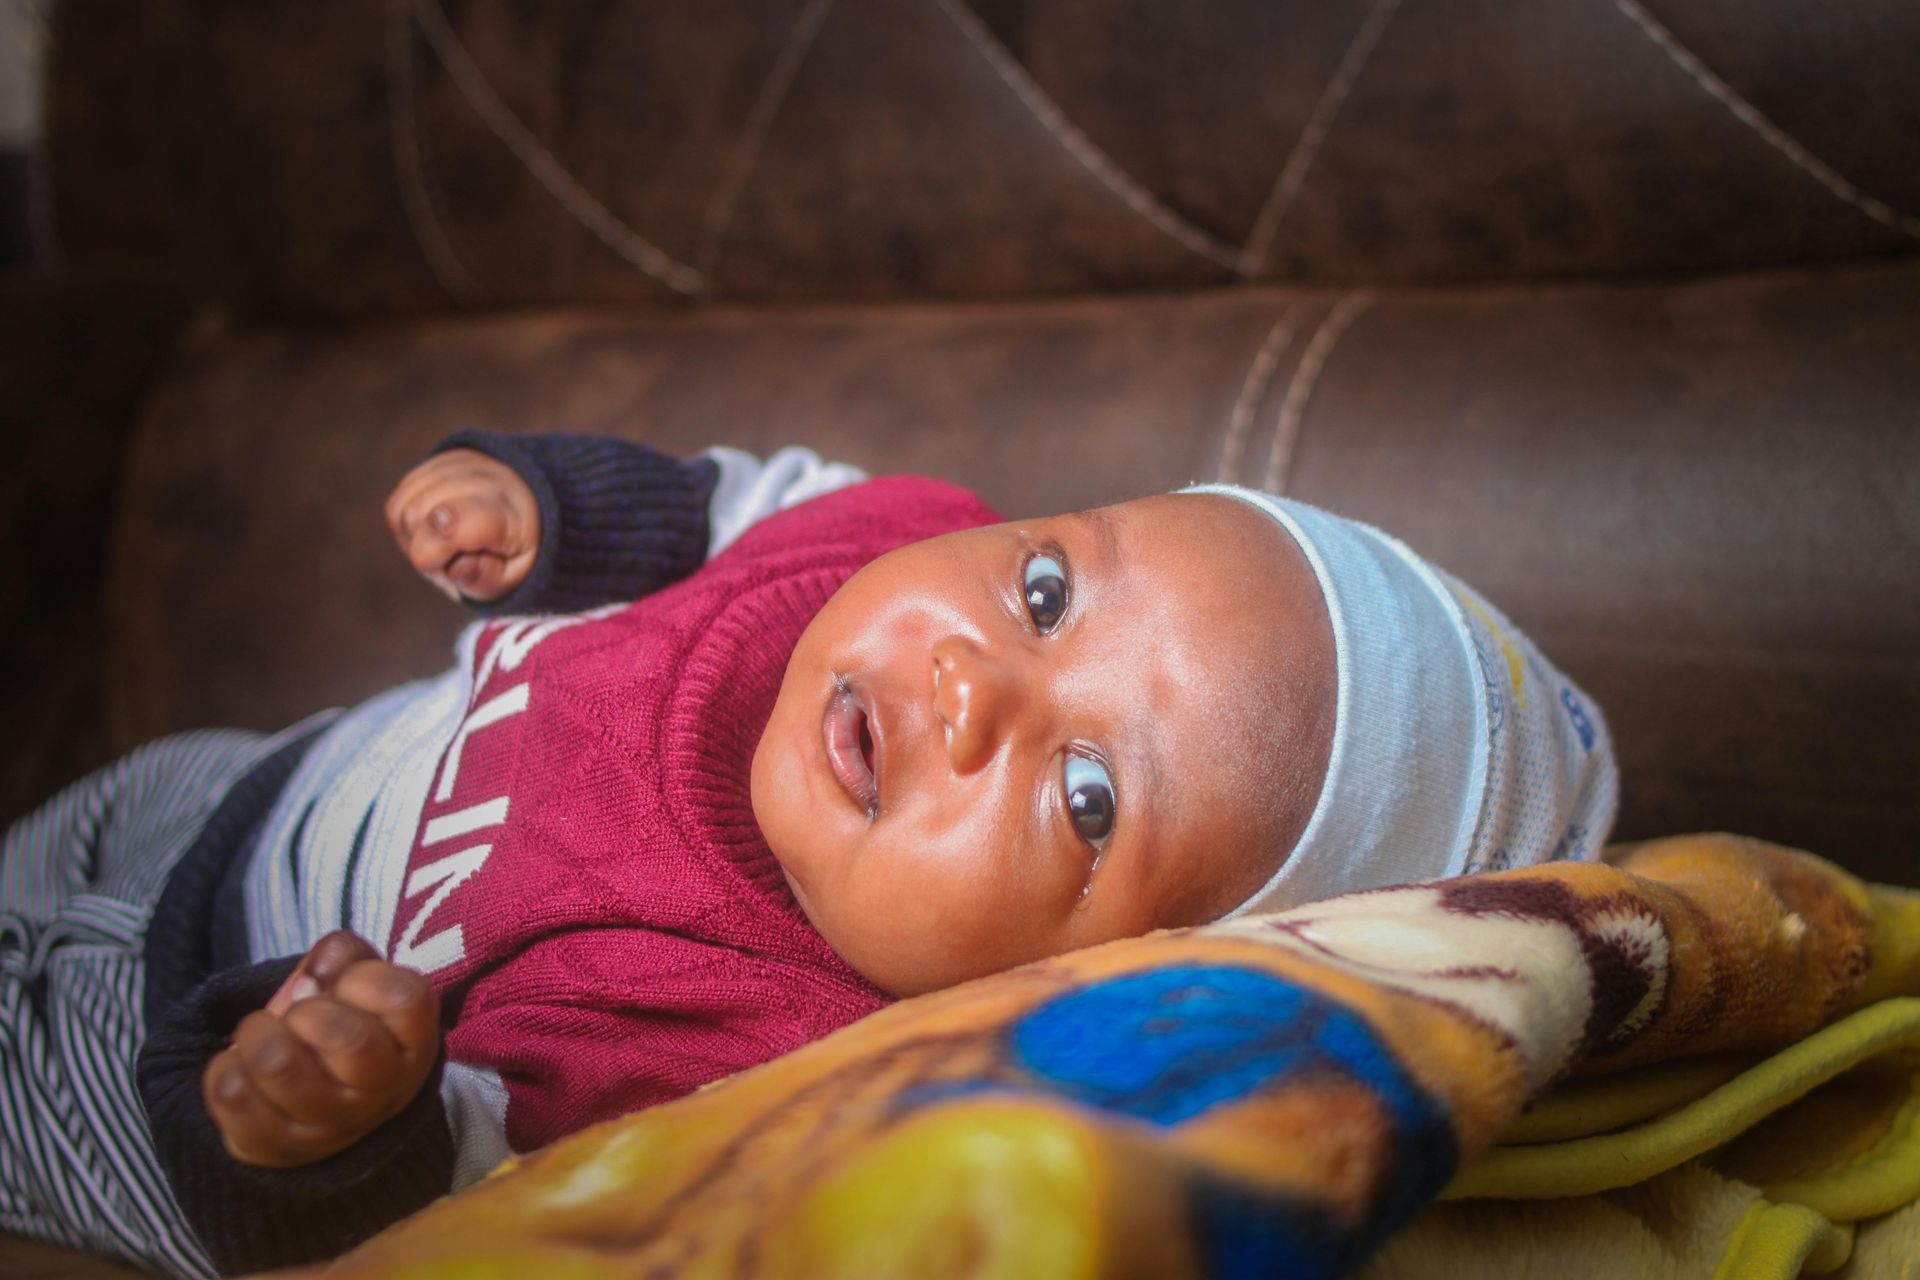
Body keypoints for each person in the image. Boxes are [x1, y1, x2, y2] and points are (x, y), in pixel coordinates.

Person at [0, 432, 1616, 1277]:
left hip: (182, 1095)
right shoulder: (863, 545)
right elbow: (744, 498)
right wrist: (551, 508)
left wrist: (346, 1123)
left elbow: (489, 1186)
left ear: (1088, 976)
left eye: (1094, 801)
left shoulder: (772, 1061)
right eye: (1046, 594)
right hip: (223, 793)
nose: (976, 681)